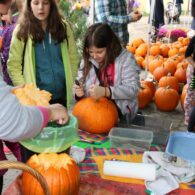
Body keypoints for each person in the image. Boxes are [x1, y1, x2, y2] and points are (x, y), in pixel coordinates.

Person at [7, 0, 79, 162]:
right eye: (36, 3)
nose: (41, 8)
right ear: (29, 4)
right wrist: (27, 92)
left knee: (58, 149)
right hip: (36, 102)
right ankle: (34, 178)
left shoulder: (63, 27)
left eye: (45, 3)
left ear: (52, 4)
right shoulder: (23, 30)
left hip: (59, 98)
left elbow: (73, 58)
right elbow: (13, 64)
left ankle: (57, 182)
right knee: (35, 151)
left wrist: (68, 79)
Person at [74, 23, 140, 124]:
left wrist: (106, 91)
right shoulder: (87, 59)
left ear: (110, 46)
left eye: (99, 52)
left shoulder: (126, 59)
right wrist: (79, 93)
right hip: (93, 113)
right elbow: (80, 81)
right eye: (91, 52)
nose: (95, 56)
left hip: (120, 114)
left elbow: (133, 89)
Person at [184, 35, 195, 131]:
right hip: (194, 75)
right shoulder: (194, 39)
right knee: (190, 95)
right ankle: (188, 119)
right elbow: (187, 55)